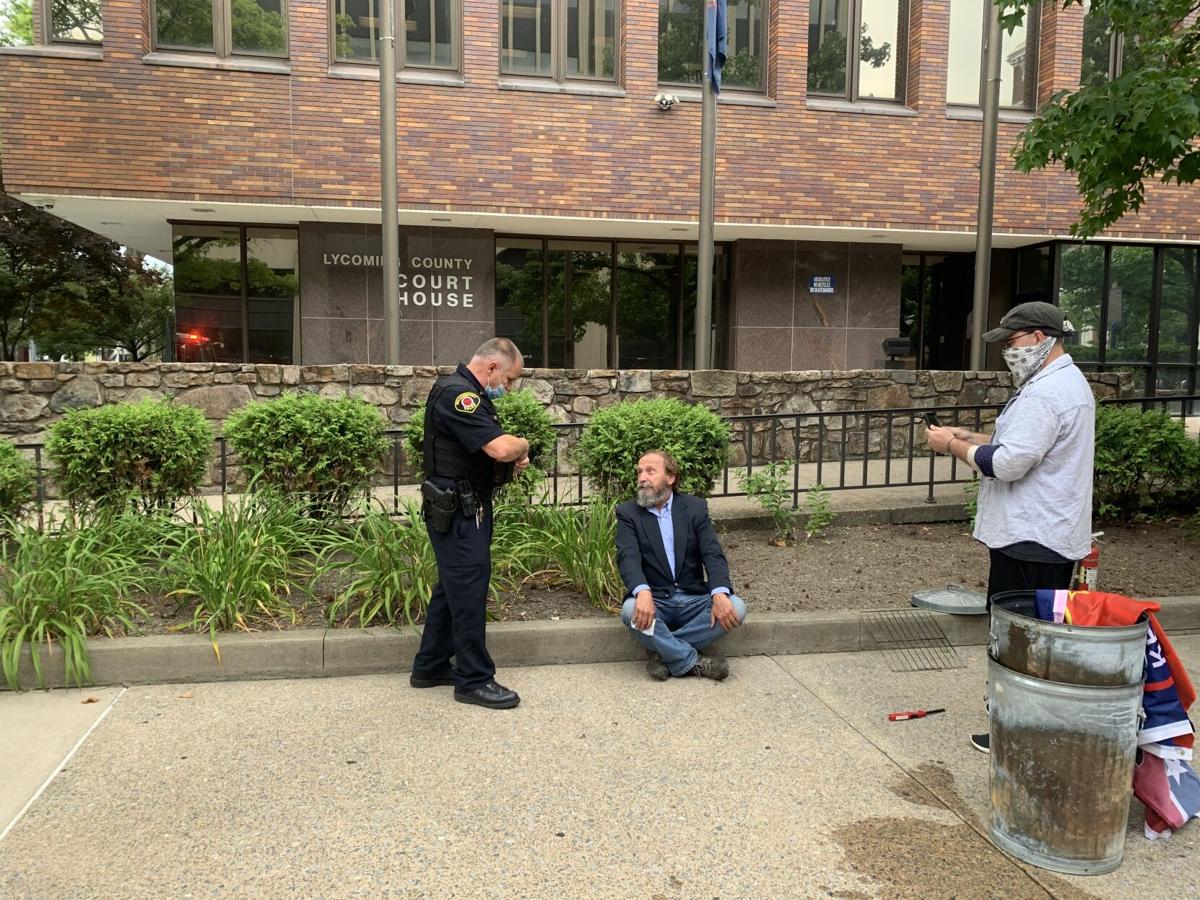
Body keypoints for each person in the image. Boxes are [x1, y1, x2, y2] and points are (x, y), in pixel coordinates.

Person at [925, 301, 1095, 752]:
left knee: (1022, 638)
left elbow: (1008, 463)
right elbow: (1019, 446)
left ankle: (1018, 729)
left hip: (1031, 539)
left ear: (1040, 338)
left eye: (1012, 342)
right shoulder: (1057, 383)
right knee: (1036, 635)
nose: (1007, 351)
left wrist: (950, 447)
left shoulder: (1047, 392)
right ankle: (1025, 722)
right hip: (1041, 536)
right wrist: (972, 437)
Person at [410, 338, 530, 709]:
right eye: (509, 380)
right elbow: (499, 447)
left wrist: (507, 458)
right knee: (469, 592)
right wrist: (521, 446)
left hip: (460, 505)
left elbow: (478, 449)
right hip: (460, 510)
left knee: (452, 587)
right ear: (493, 368)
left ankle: (430, 665)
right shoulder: (461, 396)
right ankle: (473, 679)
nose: (508, 388)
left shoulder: (465, 393)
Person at [615, 450, 747, 681]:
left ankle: (664, 652)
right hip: (655, 600)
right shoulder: (628, 513)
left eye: (650, 471)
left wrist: (718, 593)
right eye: (639, 472)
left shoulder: (694, 508)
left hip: (692, 599)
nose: (642, 477)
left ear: (671, 477)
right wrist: (642, 591)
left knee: (736, 607)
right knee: (629, 611)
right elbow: (628, 557)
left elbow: (712, 554)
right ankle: (692, 661)